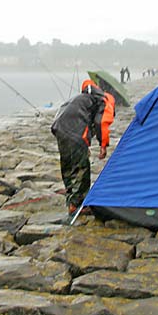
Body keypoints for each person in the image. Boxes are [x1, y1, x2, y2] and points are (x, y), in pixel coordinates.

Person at [51, 79, 116, 215]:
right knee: (82, 167)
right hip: (76, 131)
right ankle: (78, 203)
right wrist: (103, 145)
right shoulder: (105, 99)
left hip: (59, 128)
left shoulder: (80, 98)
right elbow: (101, 122)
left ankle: (71, 196)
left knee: (68, 164)